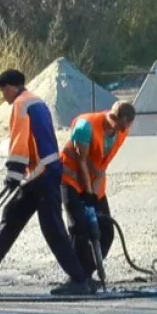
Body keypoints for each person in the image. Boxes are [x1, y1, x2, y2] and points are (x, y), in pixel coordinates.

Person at [0, 69, 90, 295]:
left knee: (52, 227)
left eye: (2, 90)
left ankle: (79, 279)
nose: (2, 96)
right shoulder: (37, 101)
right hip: (42, 171)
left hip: (41, 173)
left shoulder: (21, 105)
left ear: (9, 87)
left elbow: (20, 142)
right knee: (12, 215)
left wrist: (14, 173)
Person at [60, 102, 135, 289]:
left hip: (94, 183)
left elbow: (100, 166)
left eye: (126, 127)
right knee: (79, 228)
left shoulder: (122, 131)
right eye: (121, 126)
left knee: (106, 230)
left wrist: (94, 192)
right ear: (113, 117)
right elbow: (81, 161)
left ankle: (87, 274)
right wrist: (86, 192)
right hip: (70, 180)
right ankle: (76, 280)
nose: (123, 130)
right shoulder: (85, 127)